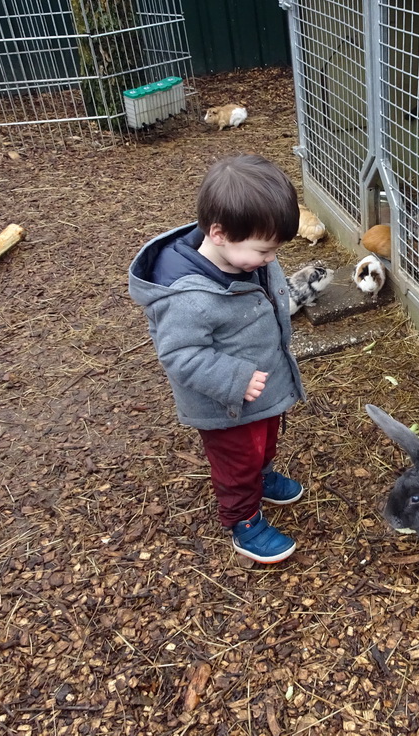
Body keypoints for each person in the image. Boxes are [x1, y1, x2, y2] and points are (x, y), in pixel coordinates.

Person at [128, 154, 305, 563]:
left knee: (263, 443)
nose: (272, 260)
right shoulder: (188, 297)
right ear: (220, 233)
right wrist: (232, 379)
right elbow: (179, 353)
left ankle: (260, 477)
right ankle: (242, 519)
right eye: (264, 251)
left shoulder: (245, 258)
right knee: (236, 461)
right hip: (224, 403)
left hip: (260, 389)